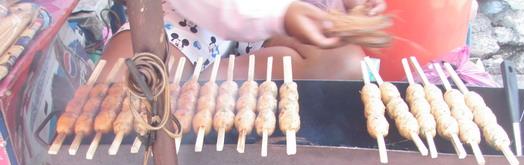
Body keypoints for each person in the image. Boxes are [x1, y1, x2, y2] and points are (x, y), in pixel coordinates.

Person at [102, 0, 386, 80]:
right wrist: (277, 15)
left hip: (286, 18)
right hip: (193, 13)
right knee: (123, 86)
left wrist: (353, 6)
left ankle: (210, 83)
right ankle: (193, 82)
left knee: (346, 65)